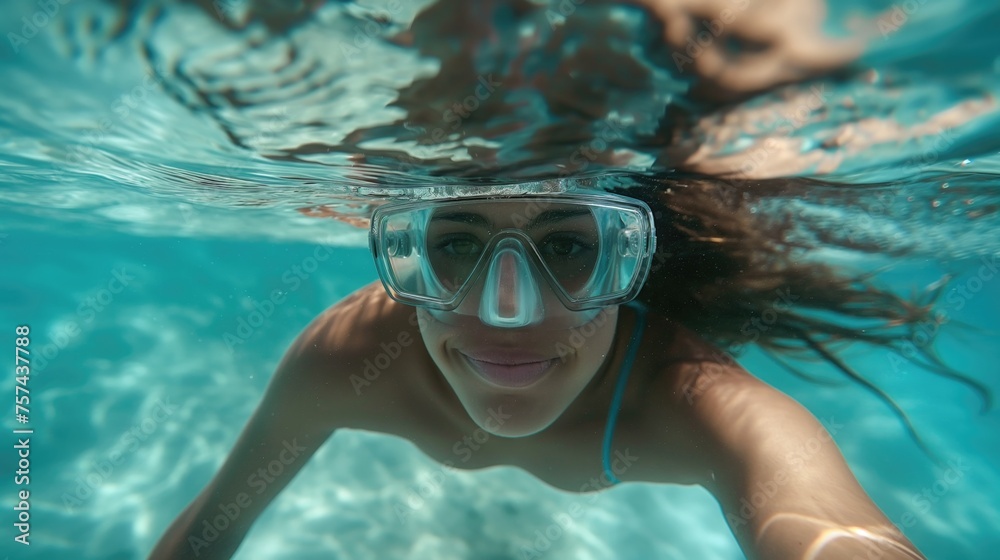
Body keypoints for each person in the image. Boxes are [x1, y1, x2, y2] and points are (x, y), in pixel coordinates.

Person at [149, 177, 939, 560]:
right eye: (455, 243)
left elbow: (832, 529)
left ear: (629, 259)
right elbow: (207, 536)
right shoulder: (352, 356)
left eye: (568, 247)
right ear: (406, 255)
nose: (507, 313)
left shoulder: (698, 403)